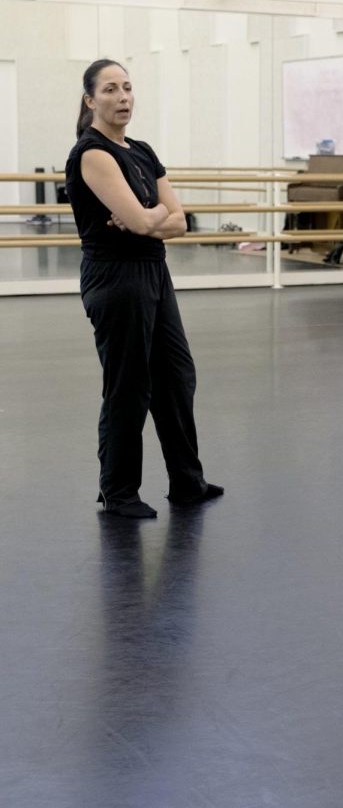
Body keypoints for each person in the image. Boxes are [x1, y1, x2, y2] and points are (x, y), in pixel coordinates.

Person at [65, 59, 222, 519]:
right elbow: (144, 218)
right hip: (115, 279)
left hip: (154, 272)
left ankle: (187, 482)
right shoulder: (92, 153)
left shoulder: (142, 150)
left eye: (128, 88)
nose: (123, 97)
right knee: (128, 385)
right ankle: (118, 493)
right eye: (111, 89)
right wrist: (150, 217)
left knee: (176, 377)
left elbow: (180, 221)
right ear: (91, 100)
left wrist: (147, 219)